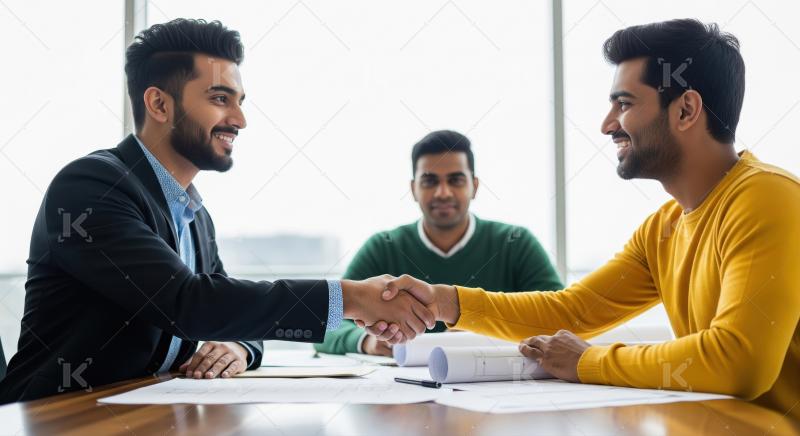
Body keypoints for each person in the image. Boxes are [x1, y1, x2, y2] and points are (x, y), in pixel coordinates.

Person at [363, 19, 800, 420]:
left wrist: (587, 361)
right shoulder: (662, 228)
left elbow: (739, 362)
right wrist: (444, 302)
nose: (607, 124)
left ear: (686, 110)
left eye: (624, 104)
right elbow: (570, 311)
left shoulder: (767, 197)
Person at [0, 19, 434, 404]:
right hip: (55, 415)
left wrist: (239, 349)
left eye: (239, 100)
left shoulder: (193, 214)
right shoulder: (91, 187)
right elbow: (188, 303)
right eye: (220, 98)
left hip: (144, 408)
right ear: (159, 104)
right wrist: (353, 298)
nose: (240, 119)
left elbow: (230, 313)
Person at [315, 130, 563, 356]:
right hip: (400, 395)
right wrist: (366, 342)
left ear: (474, 186)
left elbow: (560, 321)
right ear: (413, 189)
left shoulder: (516, 244)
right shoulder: (383, 247)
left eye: (455, 180)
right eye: (430, 181)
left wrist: (485, 335)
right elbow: (323, 323)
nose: (443, 192)